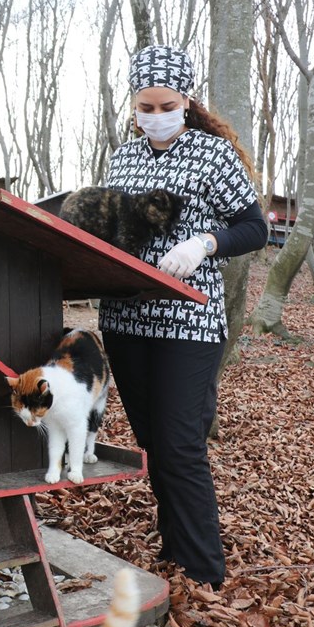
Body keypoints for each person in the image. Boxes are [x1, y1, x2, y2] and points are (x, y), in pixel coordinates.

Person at [99, 45, 267, 589]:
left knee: (180, 443)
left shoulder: (212, 155)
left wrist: (205, 241)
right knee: (152, 440)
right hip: (126, 318)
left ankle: (203, 570)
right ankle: (175, 543)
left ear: (186, 101)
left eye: (164, 105)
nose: (153, 115)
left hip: (188, 321)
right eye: (143, 107)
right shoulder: (122, 158)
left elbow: (254, 227)